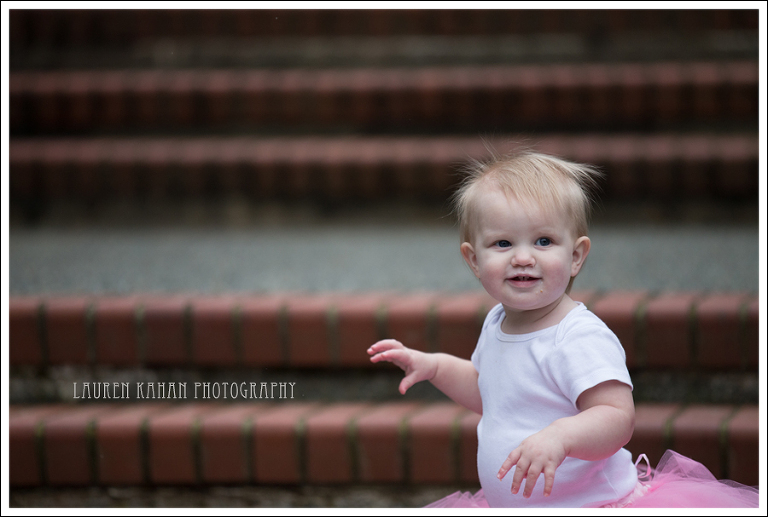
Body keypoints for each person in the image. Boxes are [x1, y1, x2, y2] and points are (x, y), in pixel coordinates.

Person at [368, 149, 759, 508]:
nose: (523, 257)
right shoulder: (497, 323)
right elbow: (491, 390)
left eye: (543, 241)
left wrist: (561, 436)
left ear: (575, 256)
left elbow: (616, 417)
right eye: (502, 243)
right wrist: (435, 366)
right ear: (473, 260)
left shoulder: (577, 336)